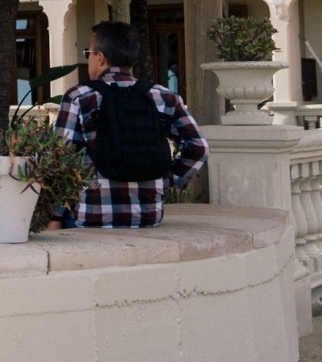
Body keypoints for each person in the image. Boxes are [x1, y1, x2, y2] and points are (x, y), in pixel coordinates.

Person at [53, 19, 207, 228]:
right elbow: (199, 147)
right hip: (148, 217)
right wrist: (167, 180)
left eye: (88, 54)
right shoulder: (163, 96)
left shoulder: (79, 97)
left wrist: (55, 216)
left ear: (100, 57)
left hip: (91, 217)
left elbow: (61, 160)